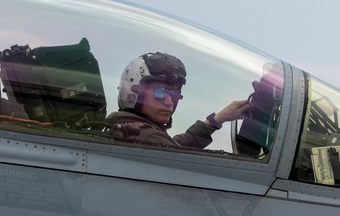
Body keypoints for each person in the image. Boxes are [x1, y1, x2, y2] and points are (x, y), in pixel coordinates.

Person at [105, 52, 251, 149]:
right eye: (160, 92)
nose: (169, 102)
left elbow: (175, 145)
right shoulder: (148, 137)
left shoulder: (125, 127)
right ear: (133, 91)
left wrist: (215, 121)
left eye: (174, 94)